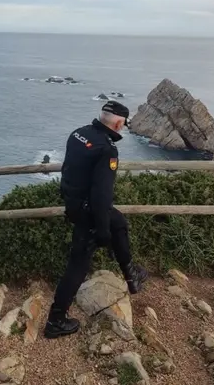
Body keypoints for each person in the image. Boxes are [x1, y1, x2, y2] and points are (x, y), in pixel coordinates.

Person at [44, 100, 148, 339]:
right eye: (124, 124)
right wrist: (102, 231)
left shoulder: (78, 134)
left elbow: (69, 170)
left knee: (119, 222)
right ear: (119, 124)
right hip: (89, 212)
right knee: (77, 266)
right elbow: (102, 195)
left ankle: (131, 274)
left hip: (74, 204)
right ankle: (55, 320)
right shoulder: (107, 150)